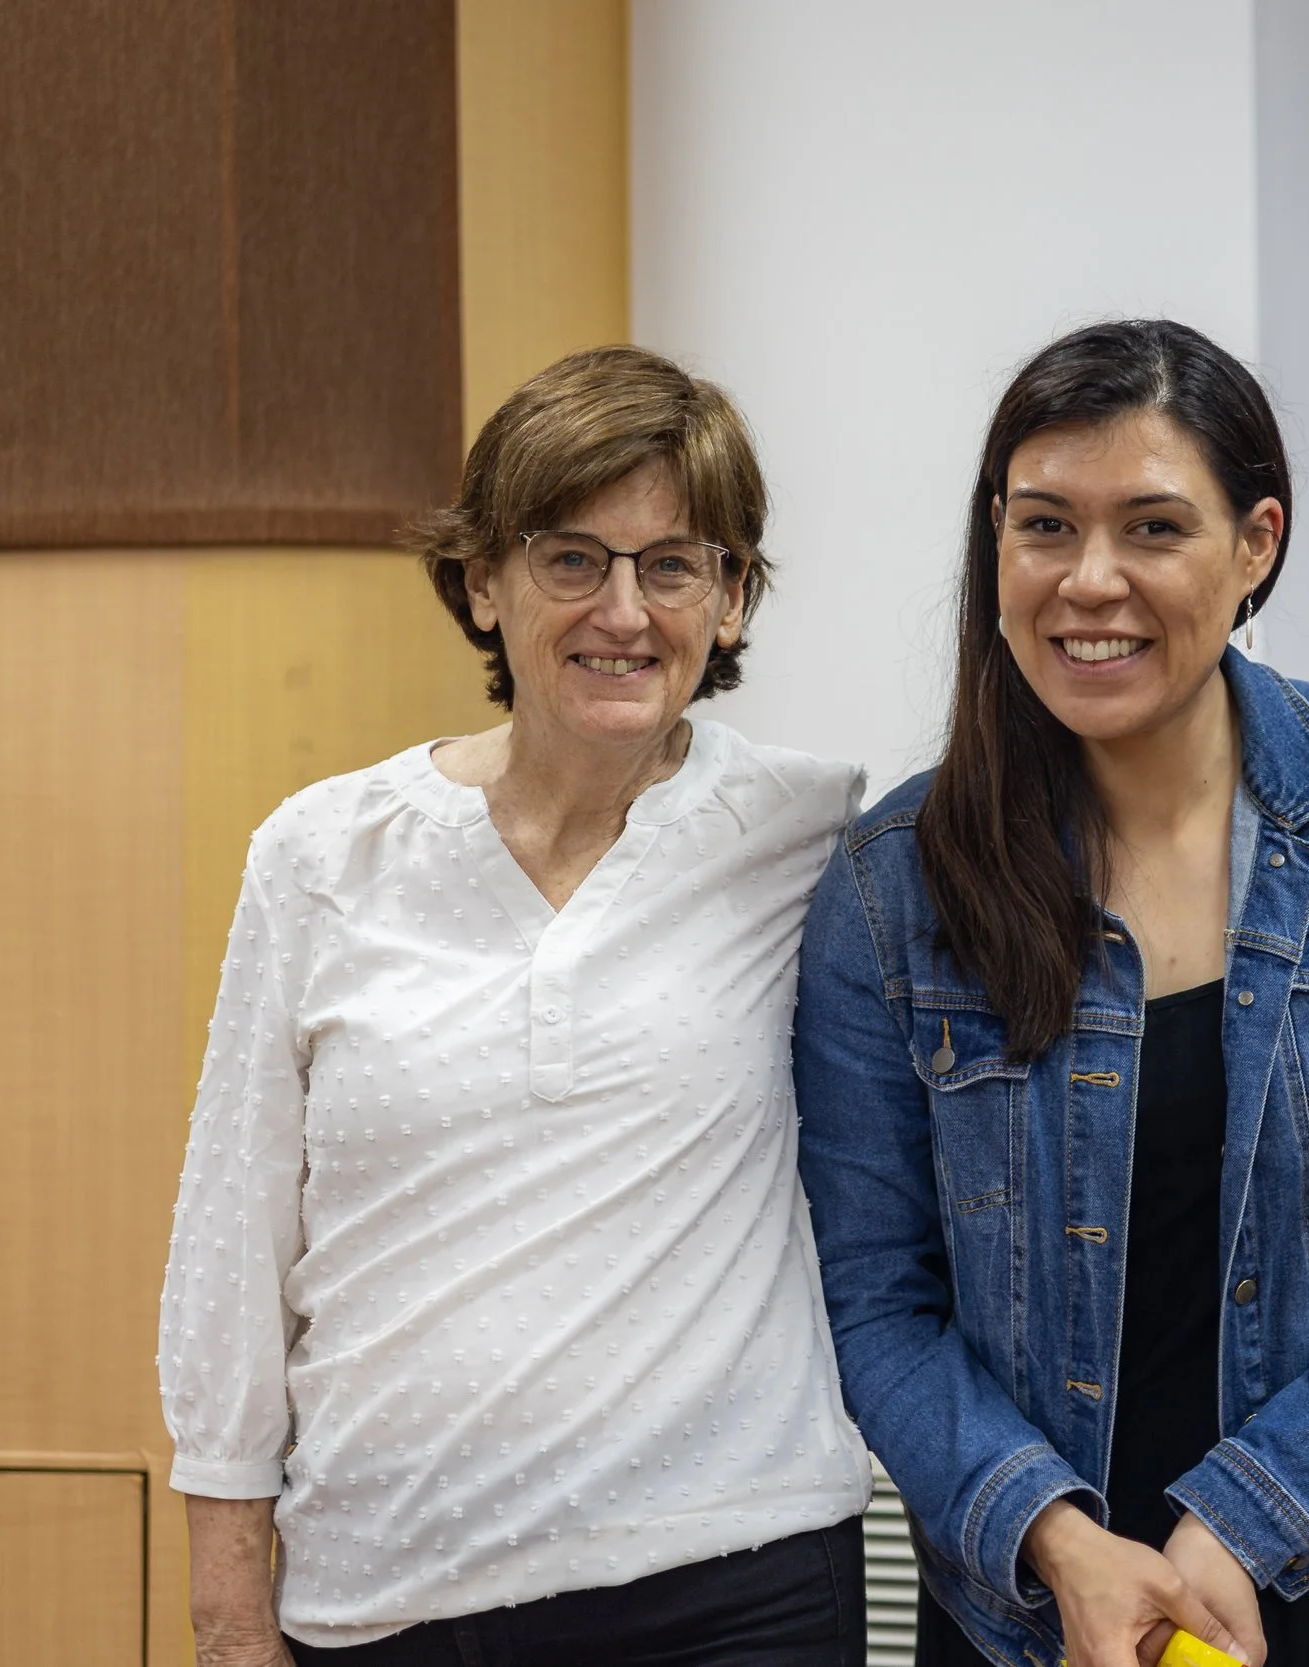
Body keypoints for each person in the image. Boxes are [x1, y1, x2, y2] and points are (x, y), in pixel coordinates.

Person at [790, 320, 1309, 1667]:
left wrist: (1241, 1517)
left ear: (1256, 543)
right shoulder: (890, 884)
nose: (1090, 580)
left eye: (1153, 527)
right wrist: (1056, 1538)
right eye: (1045, 525)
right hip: (1041, 1608)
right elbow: (873, 1300)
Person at [159, 345, 875, 1666]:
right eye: (572, 558)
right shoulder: (322, 852)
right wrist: (229, 1612)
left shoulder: (814, 834)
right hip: (389, 1589)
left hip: (736, 1584)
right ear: (482, 580)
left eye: (674, 564)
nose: (624, 610)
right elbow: (232, 1237)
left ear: (731, 598)